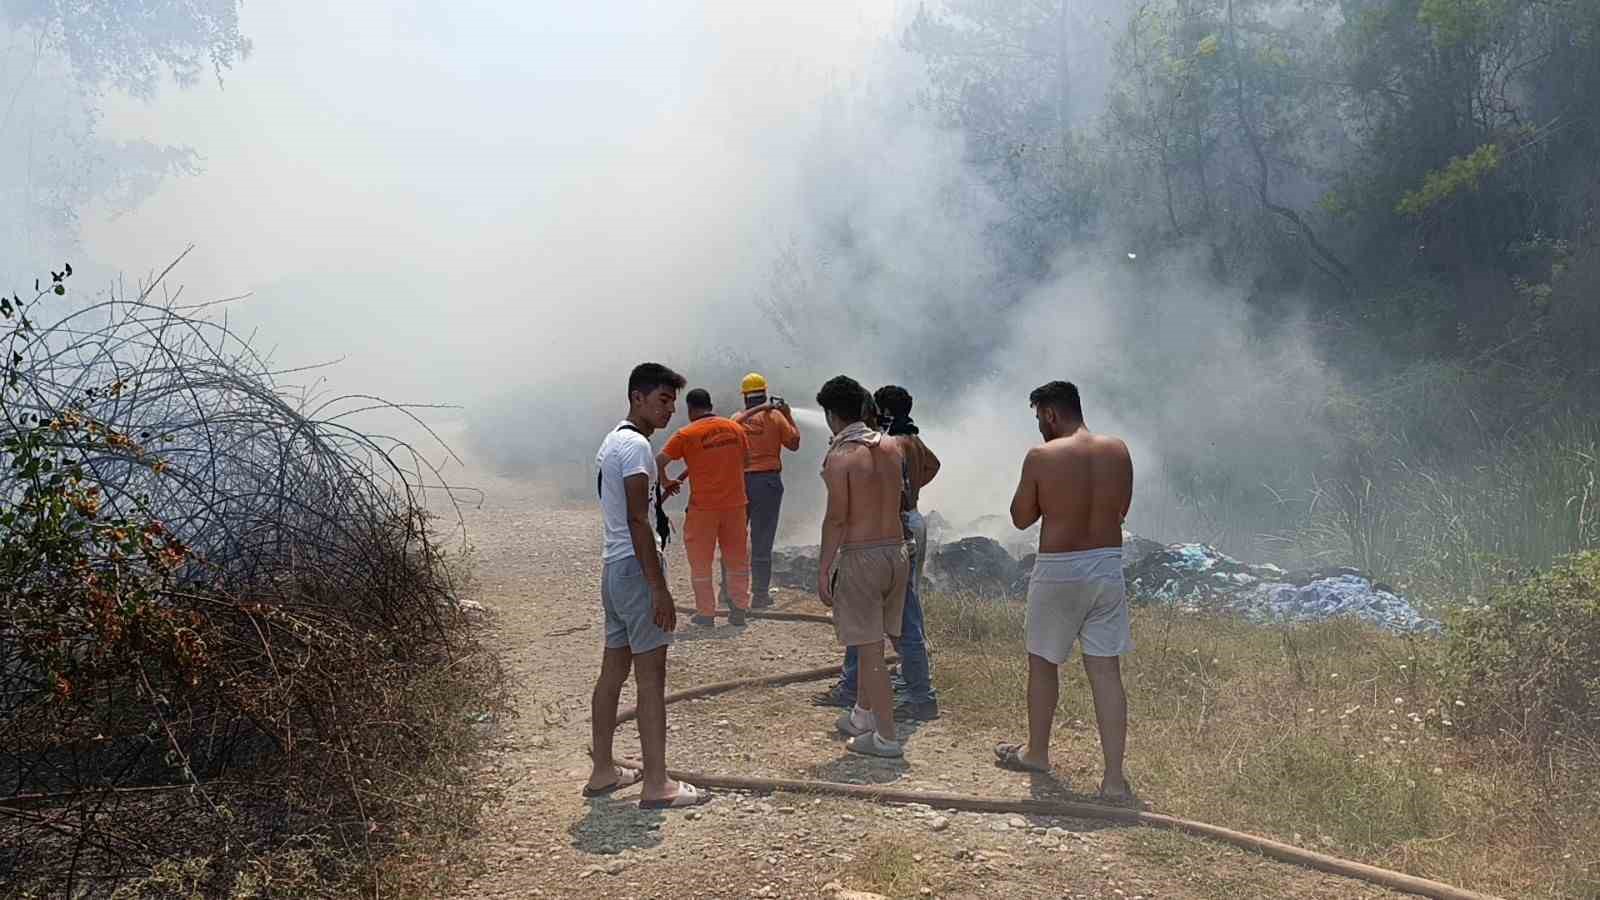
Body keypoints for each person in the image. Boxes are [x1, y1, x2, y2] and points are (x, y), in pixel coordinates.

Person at [994, 380, 1136, 806]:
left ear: (1051, 414)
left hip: (1059, 570)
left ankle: (1037, 753)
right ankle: (1113, 779)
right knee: (1107, 673)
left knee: (1043, 664)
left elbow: (1021, 518)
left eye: (1039, 418)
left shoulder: (1041, 456)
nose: (1039, 426)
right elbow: (1122, 509)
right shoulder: (1119, 450)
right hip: (1107, 568)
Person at [586, 362, 710, 810]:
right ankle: (656, 784)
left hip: (613, 569)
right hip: (637, 571)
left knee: (613, 672)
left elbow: (633, 508)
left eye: (673, 402)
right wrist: (659, 589)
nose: (670, 410)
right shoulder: (637, 447)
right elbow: (638, 519)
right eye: (662, 400)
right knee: (651, 679)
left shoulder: (613, 440)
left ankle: (603, 770)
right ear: (637, 397)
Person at [822, 385, 942, 721]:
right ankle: (866, 691)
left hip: (889, 532)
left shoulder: (891, 444)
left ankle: (908, 694)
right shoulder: (909, 440)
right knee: (896, 611)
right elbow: (933, 466)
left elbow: (839, 512)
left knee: (895, 617)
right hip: (905, 526)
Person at [816, 375, 910, 759]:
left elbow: (837, 518)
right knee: (879, 639)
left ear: (830, 414)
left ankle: (886, 738)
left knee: (869, 651)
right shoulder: (891, 446)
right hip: (896, 552)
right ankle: (862, 716)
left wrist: (824, 569)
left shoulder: (841, 456)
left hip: (863, 556)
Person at [658, 388, 753, 626]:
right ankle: (739, 610)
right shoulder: (735, 428)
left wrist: (666, 481)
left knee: (701, 562)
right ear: (711, 404)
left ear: (690, 409)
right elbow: (747, 461)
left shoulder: (686, 434)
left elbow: (657, 461)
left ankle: (706, 613)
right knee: (737, 560)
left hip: (704, 509)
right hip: (736, 506)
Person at [729, 372, 800, 608]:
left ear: (745, 396)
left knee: (734, 539)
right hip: (768, 484)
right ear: (766, 393)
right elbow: (794, 444)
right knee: (763, 539)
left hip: (739, 483)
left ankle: (729, 593)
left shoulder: (735, 419)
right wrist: (788, 414)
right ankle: (760, 595)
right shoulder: (777, 417)